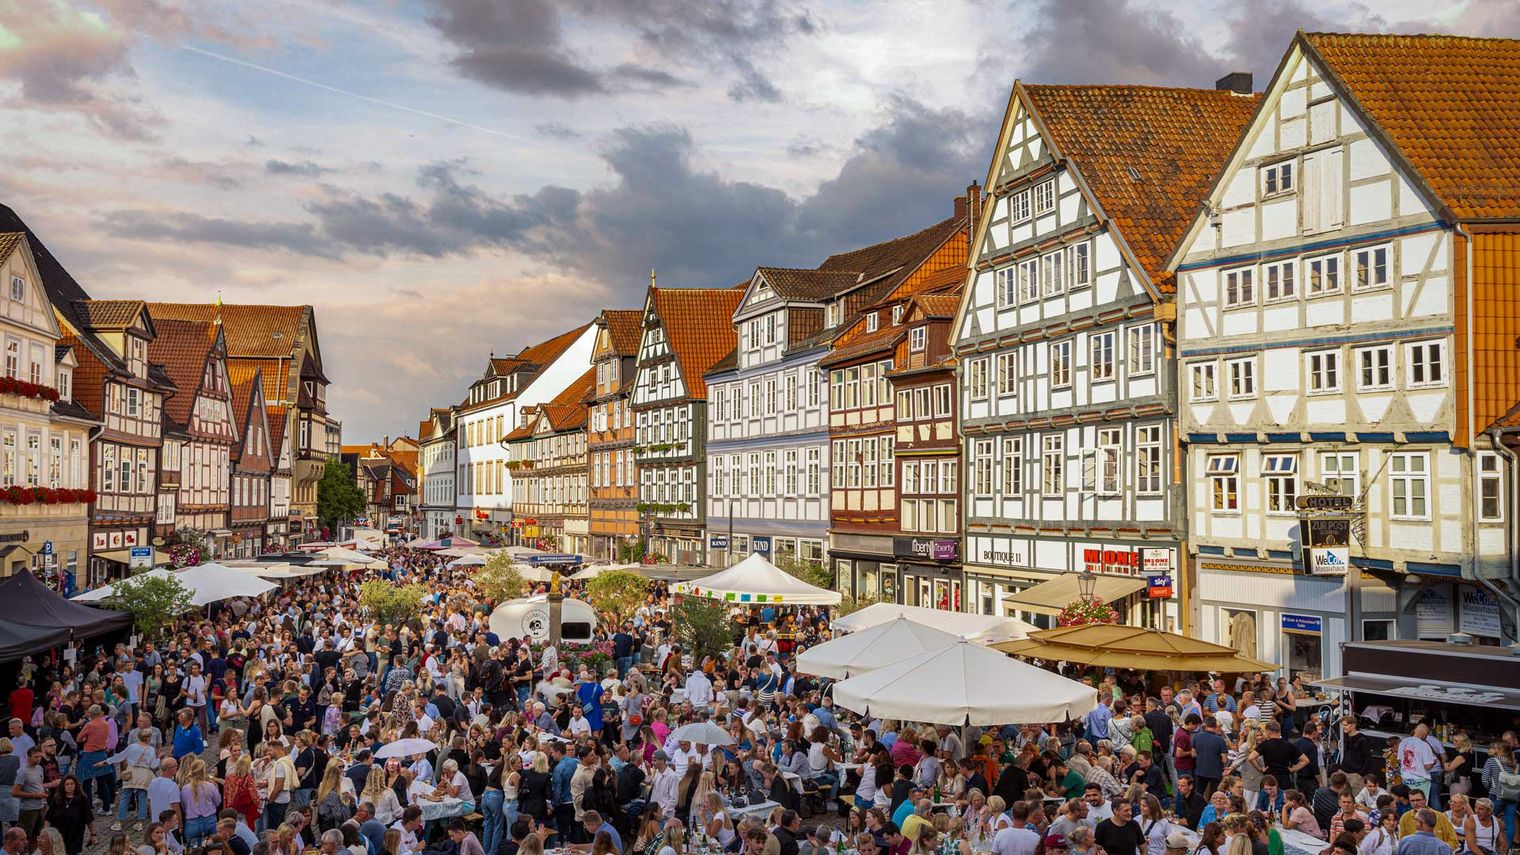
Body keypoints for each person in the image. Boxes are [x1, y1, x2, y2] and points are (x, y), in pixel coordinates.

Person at [45, 775, 95, 855]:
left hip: (74, 835)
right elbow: (49, 817)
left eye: (72, 784)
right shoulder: (57, 799)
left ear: (76, 785)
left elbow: (89, 818)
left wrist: (93, 834)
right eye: (67, 784)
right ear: (63, 786)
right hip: (58, 835)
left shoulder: (82, 799)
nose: (70, 786)